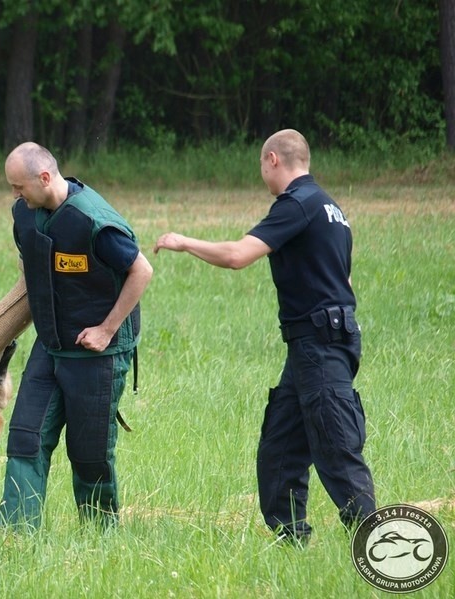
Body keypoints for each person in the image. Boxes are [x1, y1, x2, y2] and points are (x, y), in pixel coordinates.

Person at [153, 129, 376, 545]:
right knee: (280, 449)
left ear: (273, 159)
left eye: (261, 166)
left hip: (318, 343)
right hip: (316, 343)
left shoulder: (296, 205)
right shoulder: (332, 209)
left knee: (336, 452)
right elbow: (344, 278)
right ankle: (290, 543)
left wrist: (183, 241)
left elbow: (239, 256)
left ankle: (382, 551)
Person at [0, 142, 153, 530]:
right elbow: (28, 261)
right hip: (51, 347)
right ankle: (14, 536)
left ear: (45, 178)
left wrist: (106, 329)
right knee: (26, 438)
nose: (14, 194)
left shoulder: (94, 222)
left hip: (97, 355)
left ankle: (100, 535)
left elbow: (141, 271)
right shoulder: (25, 214)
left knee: (89, 454)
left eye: (19, 186)